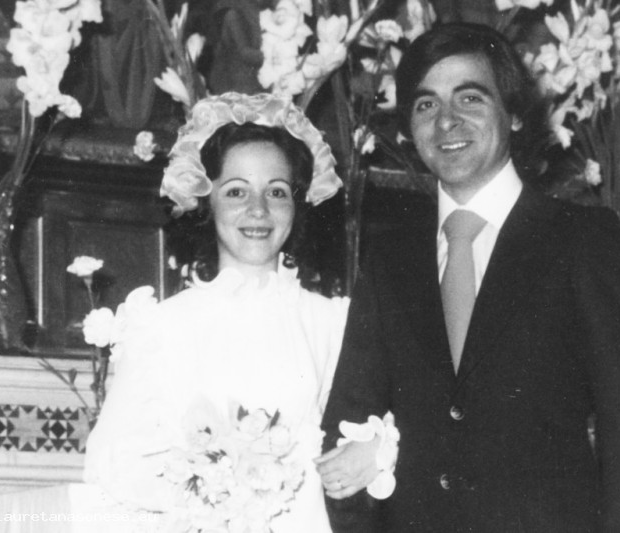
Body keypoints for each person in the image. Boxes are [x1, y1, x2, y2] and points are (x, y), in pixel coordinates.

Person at [320, 23, 620, 532]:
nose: (446, 121)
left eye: (470, 98)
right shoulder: (390, 260)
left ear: (515, 114)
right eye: (426, 105)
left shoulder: (582, 240)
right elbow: (348, 425)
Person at [84, 93, 395, 532]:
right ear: (206, 202)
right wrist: (209, 484)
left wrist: (377, 446)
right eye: (236, 191)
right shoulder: (162, 326)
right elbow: (110, 463)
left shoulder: (331, 322)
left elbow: (394, 421)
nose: (258, 209)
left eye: (277, 191)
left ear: (297, 205)